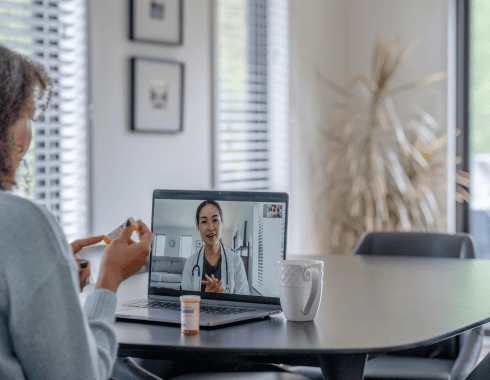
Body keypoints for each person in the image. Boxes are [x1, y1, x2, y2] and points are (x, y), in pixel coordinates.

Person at [0, 45, 153, 379]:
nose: (29, 136)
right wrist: (110, 279)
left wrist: (52, 276)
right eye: (25, 116)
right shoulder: (22, 223)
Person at [180, 200, 250, 295]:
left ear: (222, 224)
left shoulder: (236, 261)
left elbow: (243, 303)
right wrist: (206, 299)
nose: (210, 227)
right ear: (198, 227)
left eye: (215, 220)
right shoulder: (190, 263)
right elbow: (186, 303)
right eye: (204, 221)